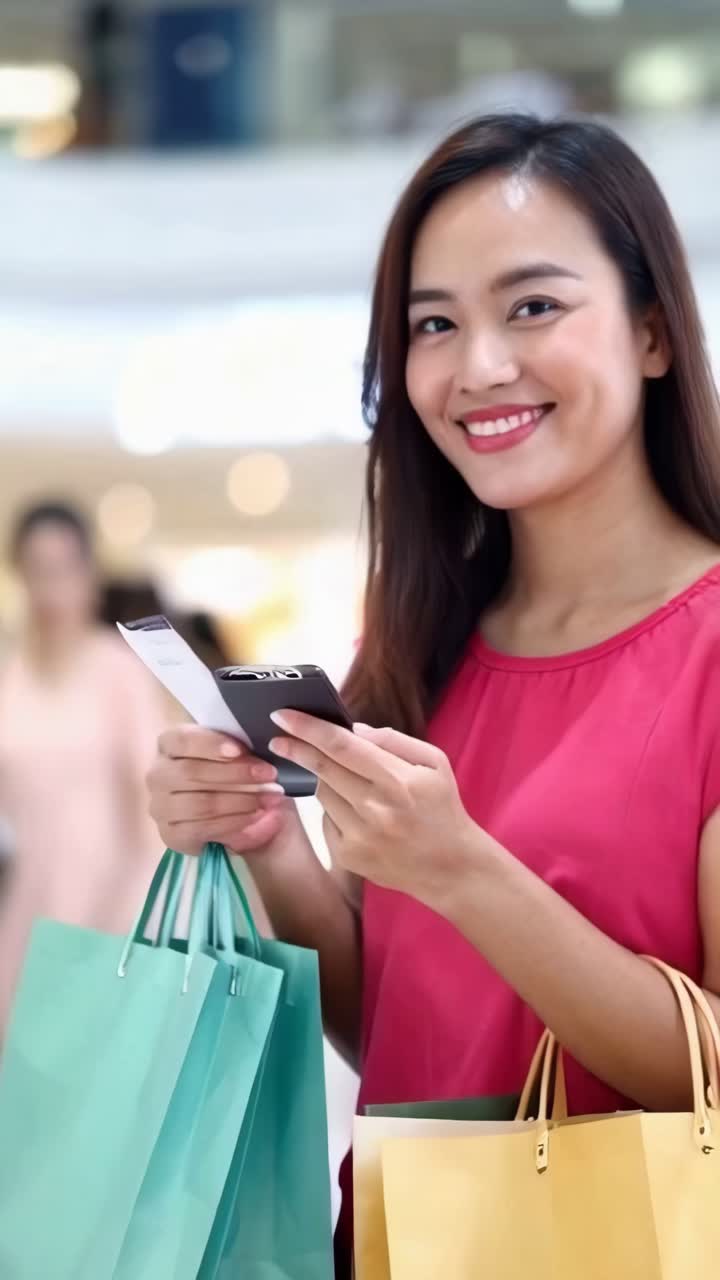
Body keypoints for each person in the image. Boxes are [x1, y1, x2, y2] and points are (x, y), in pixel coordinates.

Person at [147, 114, 720, 1272]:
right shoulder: (425, 645)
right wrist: (270, 844)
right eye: (434, 325)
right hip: (403, 1243)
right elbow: (402, 1033)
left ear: (654, 329)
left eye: (535, 307)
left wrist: (464, 868)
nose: (480, 368)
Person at [0, 501, 165, 1032]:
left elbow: (151, 817)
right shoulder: (10, 677)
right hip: (26, 917)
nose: (49, 587)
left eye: (63, 568)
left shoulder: (119, 672)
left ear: (87, 572)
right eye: (35, 569)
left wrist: (123, 934)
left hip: (115, 913)